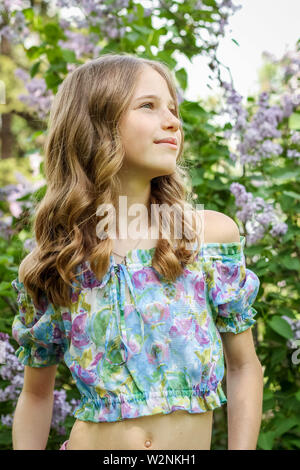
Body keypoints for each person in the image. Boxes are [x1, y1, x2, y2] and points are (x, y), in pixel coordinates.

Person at [11, 53, 263, 450]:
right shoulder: (59, 262)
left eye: (173, 109)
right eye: (148, 105)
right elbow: (37, 394)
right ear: (96, 125)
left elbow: (244, 366)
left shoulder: (207, 239)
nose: (173, 121)